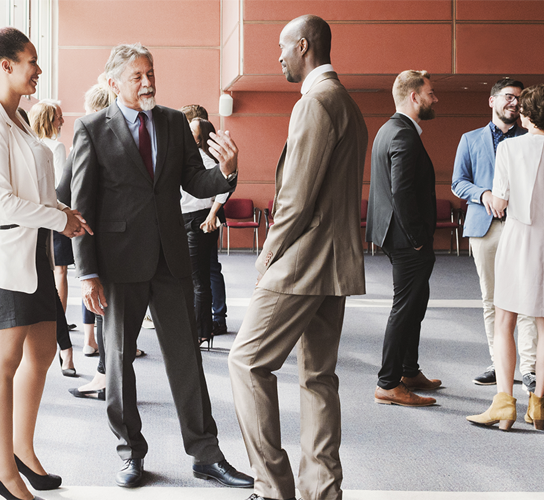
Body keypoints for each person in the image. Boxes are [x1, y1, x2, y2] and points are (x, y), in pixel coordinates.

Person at [70, 43, 252, 489]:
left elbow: (194, 179)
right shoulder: (92, 128)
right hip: (118, 263)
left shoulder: (172, 121)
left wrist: (226, 172)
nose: (148, 82)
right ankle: (130, 452)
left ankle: (205, 454)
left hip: (172, 259)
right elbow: (82, 205)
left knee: (187, 360)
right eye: (137, 76)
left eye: (150, 73)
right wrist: (87, 273)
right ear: (113, 83)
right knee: (118, 361)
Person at [228, 15, 367, 500]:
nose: (279, 57)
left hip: (302, 262)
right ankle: (322, 490)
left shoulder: (316, 103)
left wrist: (265, 256)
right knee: (318, 378)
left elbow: (295, 198)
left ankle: (272, 487)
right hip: (335, 265)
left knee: (246, 364)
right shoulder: (348, 103)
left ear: (303, 46)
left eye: (283, 48)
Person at [0, 17, 90, 500]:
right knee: (5, 363)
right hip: (5, 256)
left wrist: (61, 210)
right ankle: (2, 472)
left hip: (33, 251)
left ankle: (21, 451)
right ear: (6, 66)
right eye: (32, 63)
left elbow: (32, 190)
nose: (39, 71)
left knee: (42, 352)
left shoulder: (17, 116)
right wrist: (60, 222)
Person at [467, 84, 544, 431]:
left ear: (526, 114)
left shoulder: (509, 148)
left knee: (506, 320)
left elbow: (500, 201)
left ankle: (505, 403)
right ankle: (537, 405)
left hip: (519, 238)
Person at [451, 78, 539, 392]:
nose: (514, 103)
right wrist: (484, 194)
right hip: (483, 228)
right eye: (508, 97)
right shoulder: (470, 139)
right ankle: (499, 363)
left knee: (527, 300)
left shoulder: (530, 139)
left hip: (521, 227)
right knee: (491, 300)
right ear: (492, 101)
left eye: (519, 98)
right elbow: (458, 182)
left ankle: (529, 369)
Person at [366, 70, 441, 407]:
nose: (434, 98)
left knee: (416, 303)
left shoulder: (390, 129)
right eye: (430, 93)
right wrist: (418, 238)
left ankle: (409, 370)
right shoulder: (403, 135)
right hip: (406, 238)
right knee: (405, 307)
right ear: (414, 97)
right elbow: (402, 192)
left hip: (394, 234)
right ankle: (389, 382)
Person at [68, 80, 115, 401]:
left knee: (103, 310)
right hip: (117, 241)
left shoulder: (91, 136)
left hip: (98, 238)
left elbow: (65, 190)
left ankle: (103, 377)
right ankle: (105, 374)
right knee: (108, 314)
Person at [29, 99, 76, 377]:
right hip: (54, 217)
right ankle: (61, 325)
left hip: (40, 219)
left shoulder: (31, 146)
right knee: (59, 272)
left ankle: (58, 332)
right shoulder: (55, 147)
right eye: (58, 116)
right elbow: (58, 188)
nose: (61, 121)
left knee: (48, 274)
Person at [182, 104, 229, 336]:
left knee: (205, 273)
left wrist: (212, 214)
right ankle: (208, 323)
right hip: (194, 218)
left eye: (190, 128)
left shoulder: (204, 158)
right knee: (203, 272)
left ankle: (211, 323)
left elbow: (223, 185)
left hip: (201, 219)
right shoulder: (188, 155)